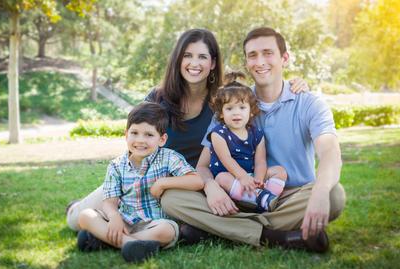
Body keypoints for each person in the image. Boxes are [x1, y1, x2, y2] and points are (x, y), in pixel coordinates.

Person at [65, 28, 308, 232]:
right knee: (76, 221)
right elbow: (137, 147)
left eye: (202, 57)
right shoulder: (157, 98)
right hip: (148, 180)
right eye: (187, 56)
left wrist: (298, 83)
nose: (194, 63)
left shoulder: (223, 101)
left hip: (193, 185)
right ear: (178, 60)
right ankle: (79, 208)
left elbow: (259, 92)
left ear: (213, 63)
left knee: (167, 216)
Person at [160, 27, 345, 253]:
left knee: (334, 194)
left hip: (287, 197)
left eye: (268, 53)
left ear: (284, 58)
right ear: (247, 62)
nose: (260, 62)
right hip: (236, 196)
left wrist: (319, 191)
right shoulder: (233, 102)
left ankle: (222, 228)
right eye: (252, 56)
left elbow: (330, 154)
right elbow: (203, 166)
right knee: (171, 198)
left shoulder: (309, 103)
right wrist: (210, 187)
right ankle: (278, 236)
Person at [77, 101, 204, 263]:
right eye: (134, 133)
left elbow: (197, 181)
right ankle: (131, 244)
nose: (140, 140)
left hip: (153, 223)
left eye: (149, 135)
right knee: (86, 216)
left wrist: (163, 183)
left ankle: (106, 242)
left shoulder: (169, 157)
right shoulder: (116, 166)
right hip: (124, 220)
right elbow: (110, 202)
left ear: (162, 139)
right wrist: (114, 216)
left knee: (169, 231)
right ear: (126, 135)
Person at [208, 70, 287, 214]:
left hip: (250, 176)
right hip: (230, 178)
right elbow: (225, 158)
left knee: (280, 171)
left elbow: (260, 162)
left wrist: (257, 181)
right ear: (221, 113)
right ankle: (259, 200)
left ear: (251, 111)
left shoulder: (256, 134)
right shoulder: (218, 133)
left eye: (242, 107)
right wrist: (242, 177)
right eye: (229, 108)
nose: (236, 113)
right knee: (221, 178)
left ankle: (265, 199)